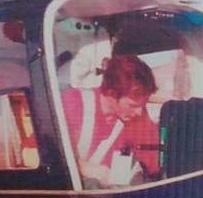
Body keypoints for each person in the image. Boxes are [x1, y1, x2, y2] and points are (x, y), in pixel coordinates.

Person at [61, 54, 161, 187]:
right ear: (111, 94)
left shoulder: (132, 120)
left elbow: (151, 165)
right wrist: (85, 168)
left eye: (142, 105)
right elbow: (33, 156)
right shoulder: (71, 104)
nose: (139, 112)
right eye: (133, 105)